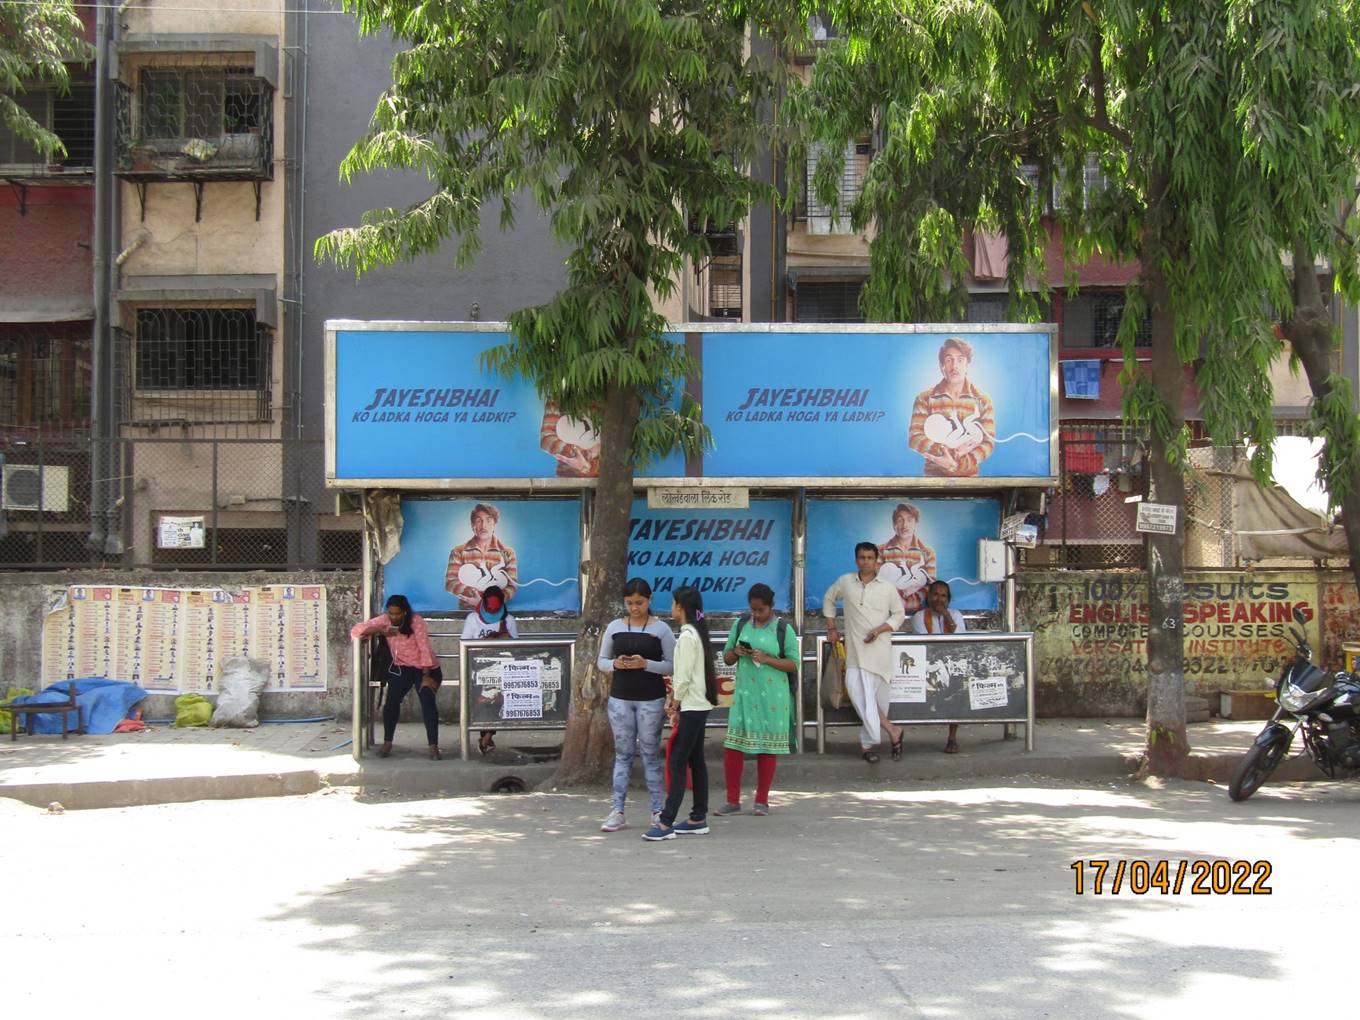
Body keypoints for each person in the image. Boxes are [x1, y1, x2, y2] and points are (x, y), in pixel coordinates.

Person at [597, 578, 676, 832]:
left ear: (650, 600)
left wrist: (647, 665)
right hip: (620, 697)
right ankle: (617, 809)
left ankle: (657, 810)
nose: (634, 608)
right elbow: (602, 660)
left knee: (650, 754)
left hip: (651, 698)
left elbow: (672, 665)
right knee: (623, 754)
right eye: (629, 603)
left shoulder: (661, 629)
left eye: (639, 603)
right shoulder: (614, 627)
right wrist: (616, 665)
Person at [717, 583, 800, 816]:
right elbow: (727, 657)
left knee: (767, 747)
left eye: (760, 610)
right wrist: (737, 652)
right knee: (733, 745)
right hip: (744, 694)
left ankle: (762, 800)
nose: (756, 615)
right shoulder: (740, 624)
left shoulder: (783, 629)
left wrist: (766, 659)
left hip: (773, 696)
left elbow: (793, 663)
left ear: (771, 607)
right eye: (753, 610)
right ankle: (732, 800)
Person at [643, 586, 717, 841]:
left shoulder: (686, 637)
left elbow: (682, 677)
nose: (671, 608)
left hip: (692, 706)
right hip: (699, 704)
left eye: (673, 603)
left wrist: (674, 702)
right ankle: (698, 816)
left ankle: (666, 822)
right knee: (695, 760)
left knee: (676, 760)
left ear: (681, 607)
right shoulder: (696, 634)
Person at [823, 542, 907, 764]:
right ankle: (892, 730)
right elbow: (829, 599)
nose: (866, 562)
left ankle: (867, 746)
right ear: (856, 560)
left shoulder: (887, 587)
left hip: (879, 652)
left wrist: (879, 630)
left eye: (870, 557)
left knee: (877, 701)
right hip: (855, 654)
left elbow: (899, 615)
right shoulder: (846, 582)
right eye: (862, 557)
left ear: (877, 560)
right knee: (860, 696)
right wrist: (832, 627)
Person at [350, 594, 443, 760]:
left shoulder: (417, 622)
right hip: (402, 669)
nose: (394, 617)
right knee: (391, 702)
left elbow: (424, 649)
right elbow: (356, 631)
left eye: (397, 614)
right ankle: (387, 742)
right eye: (391, 613)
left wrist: (426, 676)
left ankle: (433, 745)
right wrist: (379, 630)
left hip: (425, 668)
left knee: (427, 701)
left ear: (405, 613)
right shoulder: (385, 620)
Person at [908, 337, 996, 477]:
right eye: (949, 360)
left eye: (960, 360)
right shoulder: (925, 398)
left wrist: (956, 464)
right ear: (941, 366)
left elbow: (988, 444)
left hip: (970, 481)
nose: (954, 366)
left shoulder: (983, 400)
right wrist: (945, 453)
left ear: (967, 365)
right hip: (932, 480)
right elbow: (915, 438)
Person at [911, 580, 969, 753]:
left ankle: (952, 737)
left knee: (957, 686)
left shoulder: (956, 615)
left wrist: (947, 616)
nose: (939, 599)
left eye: (943, 596)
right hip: (926, 668)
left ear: (948, 600)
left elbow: (958, 643)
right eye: (935, 594)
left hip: (951, 666)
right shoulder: (919, 617)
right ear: (928, 597)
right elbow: (927, 645)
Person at [460, 585, 517, 756]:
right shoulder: (472, 619)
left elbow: (516, 647)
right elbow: (464, 644)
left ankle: (487, 737)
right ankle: (486, 736)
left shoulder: (509, 621)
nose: (492, 611)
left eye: (495, 608)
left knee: (498, 700)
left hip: (502, 671)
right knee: (482, 702)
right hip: (477, 670)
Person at [444, 503, 519, 607]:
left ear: (494, 524)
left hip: (496, 612)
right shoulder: (458, 551)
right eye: (479, 520)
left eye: (488, 520)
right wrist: (476, 596)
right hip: (467, 613)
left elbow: (512, 586)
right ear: (472, 525)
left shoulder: (508, 552)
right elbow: (450, 583)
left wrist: (488, 602)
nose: (484, 525)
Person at [878, 502, 937, 615]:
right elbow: (878, 584)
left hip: (918, 615)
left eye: (909, 520)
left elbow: (931, 586)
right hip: (885, 615)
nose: (905, 525)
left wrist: (907, 603)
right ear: (894, 524)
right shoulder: (880, 551)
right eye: (900, 520)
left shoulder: (927, 552)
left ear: (916, 524)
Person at [540, 401, 601, 478]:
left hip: (608, 478)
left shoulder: (612, 397)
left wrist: (600, 446)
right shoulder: (559, 397)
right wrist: (574, 452)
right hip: (568, 481)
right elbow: (546, 438)